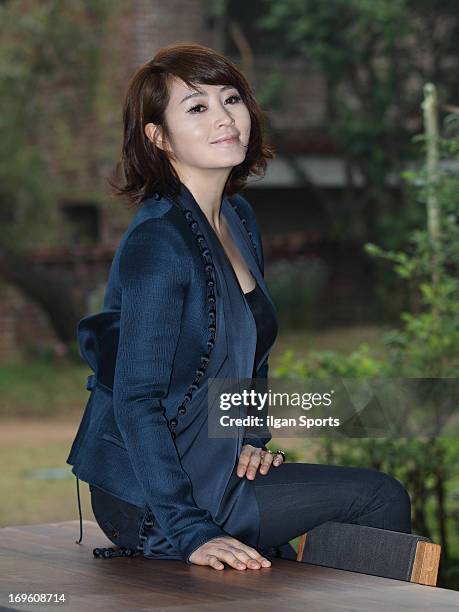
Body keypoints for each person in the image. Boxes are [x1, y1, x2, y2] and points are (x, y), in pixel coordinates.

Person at [67, 42, 411, 572]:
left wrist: (250, 436)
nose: (225, 117)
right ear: (158, 137)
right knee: (379, 497)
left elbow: (249, 349)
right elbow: (138, 399)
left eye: (231, 99)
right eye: (197, 107)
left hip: (217, 460)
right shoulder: (158, 242)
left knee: (375, 496)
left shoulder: (239, 218)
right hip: (156, 498)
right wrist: (190, 531)